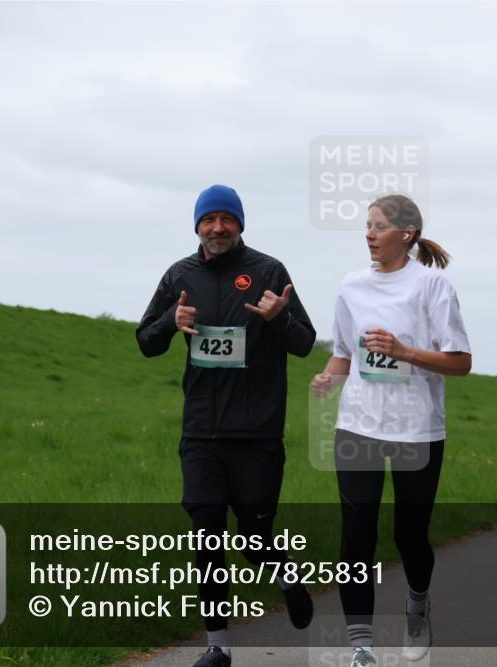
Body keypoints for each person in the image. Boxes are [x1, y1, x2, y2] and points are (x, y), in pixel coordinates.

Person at [136, 185, 317, 667]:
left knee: (254, 541)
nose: (218, 228)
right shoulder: (179, 276)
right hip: (201, 433)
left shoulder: (269, 271)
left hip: (257, 434)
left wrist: (279, 318)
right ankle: (218, 646)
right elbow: (146, 341)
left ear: (240, 224)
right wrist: (170, 321)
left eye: (227, 219)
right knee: (207, 536)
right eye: (209, 220)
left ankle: (286, 573)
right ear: (197, 226)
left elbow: (304, 343)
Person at [310, 194, 472, 667]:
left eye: (379, 226)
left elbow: (460, 362)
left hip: (416, 429)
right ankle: (361, 648)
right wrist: (328, 378)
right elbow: (344, 354)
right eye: (367, 225)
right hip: (358, 425)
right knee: (356, 536)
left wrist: (405, 352)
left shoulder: (432, 286)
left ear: (407, 234)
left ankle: (417, 605)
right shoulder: (351, 287)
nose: (369, 234)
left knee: (410, 536)